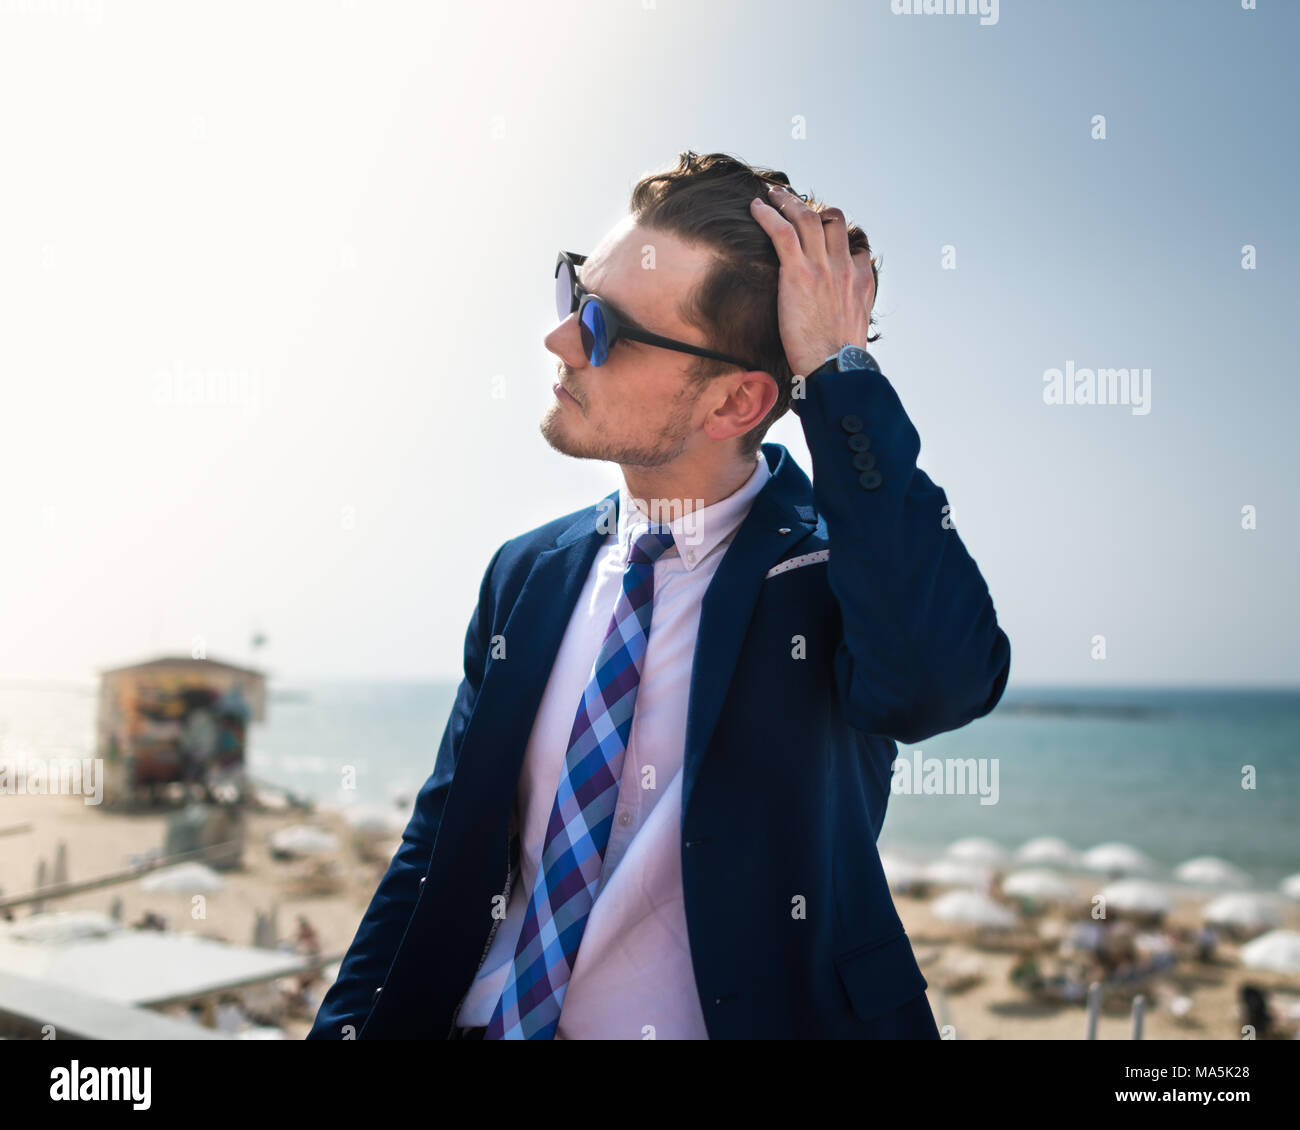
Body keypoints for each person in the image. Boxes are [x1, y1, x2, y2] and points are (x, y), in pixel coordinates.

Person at [307, 151, 1011, 1041]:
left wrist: (840, 372)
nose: (560, 340)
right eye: (574, 295)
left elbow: (934, 685)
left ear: (734, 402)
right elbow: (437, 847)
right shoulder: (527, 572)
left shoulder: (838, 578)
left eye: (602, 328)